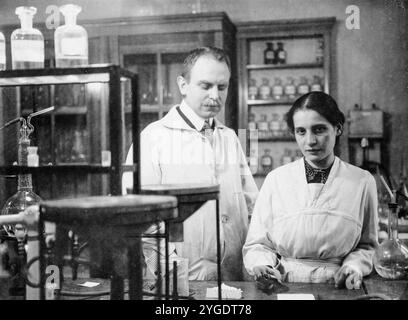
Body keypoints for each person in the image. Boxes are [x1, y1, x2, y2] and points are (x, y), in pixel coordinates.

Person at [122, 46, 258, 281]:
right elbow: (141, 216)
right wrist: (172, 272)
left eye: (222, 87)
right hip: (182, 278)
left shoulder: (230, 137)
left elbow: (251, 204)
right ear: (183, 85)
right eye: (205, 86)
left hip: (236, 275)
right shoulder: (153, 138)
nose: (215, 96)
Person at [243, 91, 379, 290]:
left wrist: (354, 267)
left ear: (338, 128)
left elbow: (367, 246)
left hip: (339, 286)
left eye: (319, 129)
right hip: (285, 285)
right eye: (301, 131)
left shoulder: (362, 181)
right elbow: (258, 244)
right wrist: (263, 265)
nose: (310, 141)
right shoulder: (276, 180)